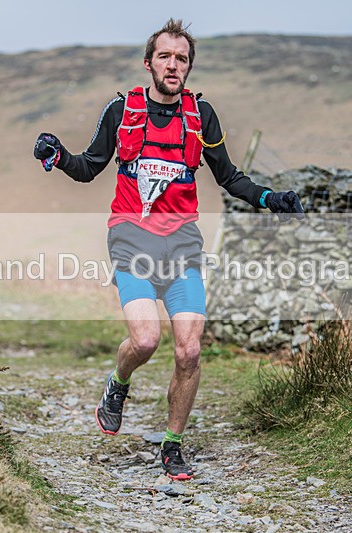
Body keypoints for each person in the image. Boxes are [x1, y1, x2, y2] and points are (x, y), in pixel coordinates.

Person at [33, 18, 304, 481]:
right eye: (165, 56)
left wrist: (268, 198)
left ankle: (173, 444)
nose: (173, 65)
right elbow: (88, 167)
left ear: (189, 67)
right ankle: (118, 385)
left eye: (181, 58)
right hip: (132, 240)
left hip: (181, 246)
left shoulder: (201, 117)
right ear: (148, 63)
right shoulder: (123, 110)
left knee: (189, 351)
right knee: (145, 340)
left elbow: (229, 176)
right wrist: (57, 155)